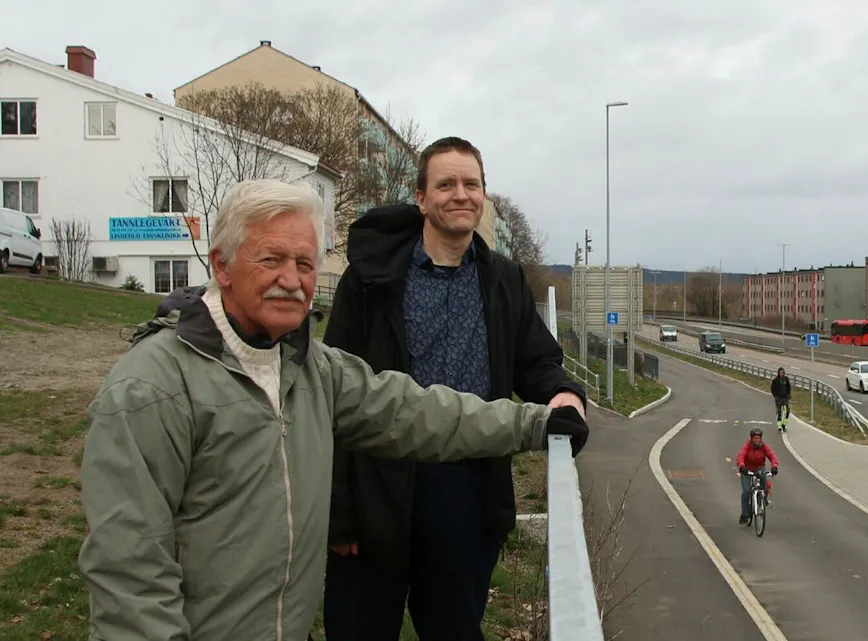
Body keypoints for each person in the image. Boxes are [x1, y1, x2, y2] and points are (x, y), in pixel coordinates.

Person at [76, 179, 589, 641]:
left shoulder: (311, 368)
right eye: (270, 259)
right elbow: (130, 571)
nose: (291, 279)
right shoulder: (153, 388)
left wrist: (538, 422)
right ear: (221, 265)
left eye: (304, 263)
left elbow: (416, 412)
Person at [320, 136, 587, 641]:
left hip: (467, 491)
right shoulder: (371, 280)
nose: (460, 194)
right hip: (380, 484)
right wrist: (341, 516)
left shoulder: (501, 278)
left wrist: (564, 395)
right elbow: (331, 393)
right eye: (446, 184)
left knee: (454, 630)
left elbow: (535, 359)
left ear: (484, 195)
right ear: (421, 197)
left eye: (472, 183)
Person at [736, 428, 779, 524]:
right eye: (755, 438)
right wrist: (742, 466)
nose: (757, 440)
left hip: (759, 468)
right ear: (751, 439)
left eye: (758, 438)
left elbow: (772, 456)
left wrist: (774, 466)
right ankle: (744, 514)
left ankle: (763, 497)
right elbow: (741, 455)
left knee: (764, 480)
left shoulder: (764, 446)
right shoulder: (747, 446)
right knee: (746, 491)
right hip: (747, 469)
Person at [771, 367, 792, 432]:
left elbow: (789, 387)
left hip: (785, 398)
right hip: (778, 398)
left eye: (782, 372)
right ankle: (779, 427)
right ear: (778, 373)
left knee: (787, 411)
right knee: (779, 412)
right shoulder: (775, 380)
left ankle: (784, 425)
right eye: (780, 372)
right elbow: (772, 389)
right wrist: (775, 396)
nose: (781, 374)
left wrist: (788, 395)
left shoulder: (786, 379)